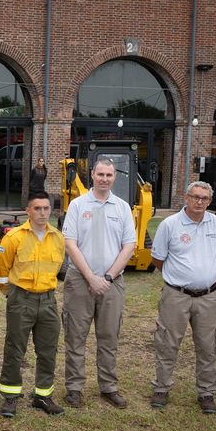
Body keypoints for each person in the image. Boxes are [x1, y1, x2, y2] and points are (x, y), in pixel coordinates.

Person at [60, 157, 137, 409]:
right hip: (79, 280)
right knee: (75, 336)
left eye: (109, 175)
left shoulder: (122, 208)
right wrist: (91, 277)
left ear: (114, 177)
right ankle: (74, 388)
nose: (104, 179)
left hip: (112, 283)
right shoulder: (77, 205)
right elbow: (69, 243)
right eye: (100, 174)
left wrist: (108, 277)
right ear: (92, 174)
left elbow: (129, 246)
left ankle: (108, 387)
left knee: (109, 337)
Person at [149, 181, 216, 413]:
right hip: (176, 295)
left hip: (208, 297)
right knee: (167, 343)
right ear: (186, 197)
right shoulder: (170, 224)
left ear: (209, 201)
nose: (199, 202)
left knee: (208, 345)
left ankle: (206, 392)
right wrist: (179, 277)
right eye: (195, 197)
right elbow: (158, 259)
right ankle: (161, 387)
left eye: (204, 198)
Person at [0, 190, 66, 417]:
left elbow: (58, 267)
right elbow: (2, 270)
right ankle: (11, 396)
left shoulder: (58, 238)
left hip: (48, 301)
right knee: (15, 349)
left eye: (46, 208)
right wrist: (11, 295)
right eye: (37, 208)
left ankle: (43, 395)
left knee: (48, 350)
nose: (42, 213)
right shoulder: (14, 237)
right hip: (21, 299)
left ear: (51, 210)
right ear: (28, 211)